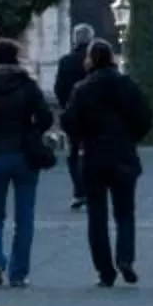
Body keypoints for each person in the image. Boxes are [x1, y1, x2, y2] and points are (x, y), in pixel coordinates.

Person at [0, 38, 56, 289]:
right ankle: (18, 273)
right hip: (25, 156)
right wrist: (32, 132)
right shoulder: (27, 84)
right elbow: (46, 117)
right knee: (24, 217)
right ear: (14, 59)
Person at [63, 39, 153, 287]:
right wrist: (131, 138)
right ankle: (125, 258)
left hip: (93, 155)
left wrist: (82, 137)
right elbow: (145, 117)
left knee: (97, 216)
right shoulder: (127, 85)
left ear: (90, 60)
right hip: (123, 154)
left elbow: (69, 122)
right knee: (125, 213)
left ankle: (105, 271)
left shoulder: (82, 89)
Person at [54, 22, 94, 213]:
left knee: (73, 153)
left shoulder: (66, 61)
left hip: (72, 114)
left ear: (74, 40)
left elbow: (59, 88)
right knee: (95, 151)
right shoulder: (96, 60)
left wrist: (65, 107)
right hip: (96, 115)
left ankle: (79, 191)